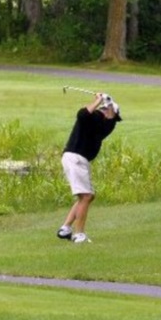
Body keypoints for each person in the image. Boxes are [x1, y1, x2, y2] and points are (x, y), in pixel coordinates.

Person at [57, 92, 122, 244]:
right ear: (105, 110)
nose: (114, 119)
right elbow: (82, 114)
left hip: (79, 160)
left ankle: (65, 229)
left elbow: (106, 119)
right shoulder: (93, 118)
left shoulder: (105, 125)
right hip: (75, 157)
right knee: (85, 196)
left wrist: (106, 103)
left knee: (88, 196)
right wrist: (99, 101)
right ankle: (79, 234)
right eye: (114, 114)